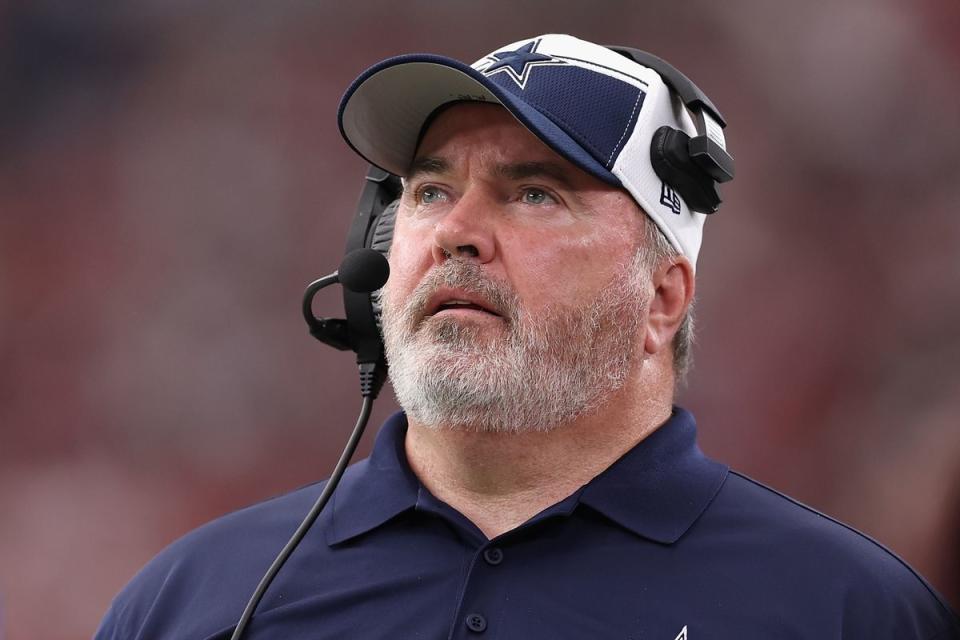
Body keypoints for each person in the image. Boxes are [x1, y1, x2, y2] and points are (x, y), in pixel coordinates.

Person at [95, 34, 960, 639]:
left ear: (662, 298)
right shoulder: (194, 602)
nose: (454, 232)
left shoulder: (844, 610)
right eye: (430, 191)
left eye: (533, 193)